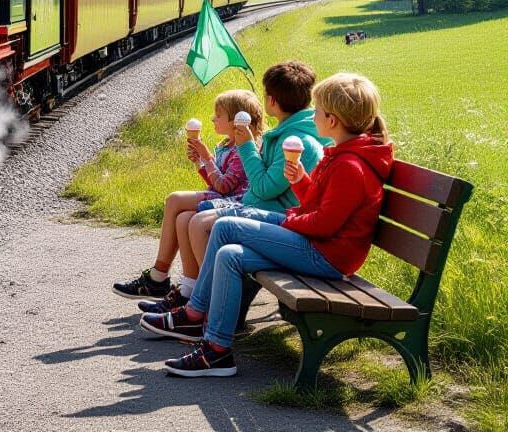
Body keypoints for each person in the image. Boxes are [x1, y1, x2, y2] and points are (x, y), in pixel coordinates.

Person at [152, 72, 393, 378]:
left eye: (317, 111)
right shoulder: (342, 154)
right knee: (229, 255)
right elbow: (319, 207)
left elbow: (324, 224)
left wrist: (289, 219)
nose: (313, 115)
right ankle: (217, 350)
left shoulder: (350, 165)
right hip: (318, 243)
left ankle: (193, 312)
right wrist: (302, 181)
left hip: (326, 255)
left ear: (332, 121)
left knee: (226, 227)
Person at [130, 61, 326, 312]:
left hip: (280, 221)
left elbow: (262, 188)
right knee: (185, 218)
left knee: (197, 222)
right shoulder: (284, 134)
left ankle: (208, 304)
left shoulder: (295, 140)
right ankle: (190, 291)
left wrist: (245, 146)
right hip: (267, 212)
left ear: (272, 101)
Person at [112, 89, 263, 301]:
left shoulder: (243, 148)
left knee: (174, 199)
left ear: (236, 120)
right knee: (183, 218)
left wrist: (206, 158)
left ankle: (158, 276)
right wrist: (199, 162)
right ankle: (189, 288)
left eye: (218, 115)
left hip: (233, 202)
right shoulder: (226, 145)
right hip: (222, 197)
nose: (213, 118)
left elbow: (224, 186)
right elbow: (215, 181)